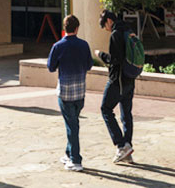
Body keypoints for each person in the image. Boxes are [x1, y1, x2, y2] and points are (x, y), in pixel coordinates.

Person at [47, 14, 92, 172]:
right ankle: (68, 153)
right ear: (77, 28)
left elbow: (51, 67)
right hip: (80, 91)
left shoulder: (58, 46)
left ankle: (76, 159)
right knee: (73, 123)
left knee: (71, 125)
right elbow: (89, 65)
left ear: (64, 28)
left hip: (65, 91)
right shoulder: (84, 45)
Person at [97, 10, 137, 164]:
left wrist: (101, 55)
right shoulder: (128, 29)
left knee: (105, 109)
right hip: (130, 79)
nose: (106, 29)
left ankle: (121, 145)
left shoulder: (116, 34)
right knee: (126, 113)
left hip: (117, 80)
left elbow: (114, 60)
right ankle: (128, 148)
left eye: (104, 26)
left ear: (108, 21)